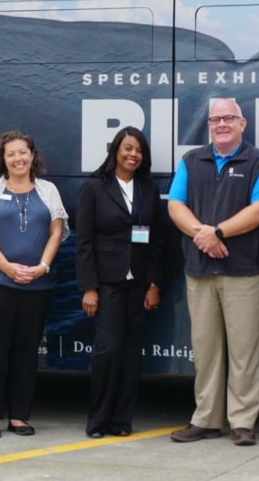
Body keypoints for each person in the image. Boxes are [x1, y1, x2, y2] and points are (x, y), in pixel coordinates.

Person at [167, 98, 259, 446]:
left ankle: (242, 421)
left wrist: (217, 233)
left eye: (229, 118)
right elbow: (175, 205)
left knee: (244, 350)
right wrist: (204, 235)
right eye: (215, 120)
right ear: (209, 126)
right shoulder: (190, 160)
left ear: (242, 124)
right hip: (200, 269)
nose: (222, 125)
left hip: (245, 272)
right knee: (205, 349)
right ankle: (206, 419)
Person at [0, 131, 69, 439]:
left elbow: (56, 231)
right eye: (11, 154)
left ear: (32, 155)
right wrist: (7, 268)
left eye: (23, 152)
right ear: (3, 159)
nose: (18, 158)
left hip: (36, 286)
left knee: (26, 353)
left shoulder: (48, 190)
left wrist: (43, 267)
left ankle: (20, 416)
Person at [75, 127, 164, 438]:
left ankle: (122, 421)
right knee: (108, 349)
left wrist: (154, 284)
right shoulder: (94, 187)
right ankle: (98, 420)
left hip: (138, 284)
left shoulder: (148, 188)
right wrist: (89, 287)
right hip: (107, 283)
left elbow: (156, 241)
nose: (133, 155)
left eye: (139, 150)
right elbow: (84, 241)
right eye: (127, 148)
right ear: (115, 150)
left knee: (130, 351)